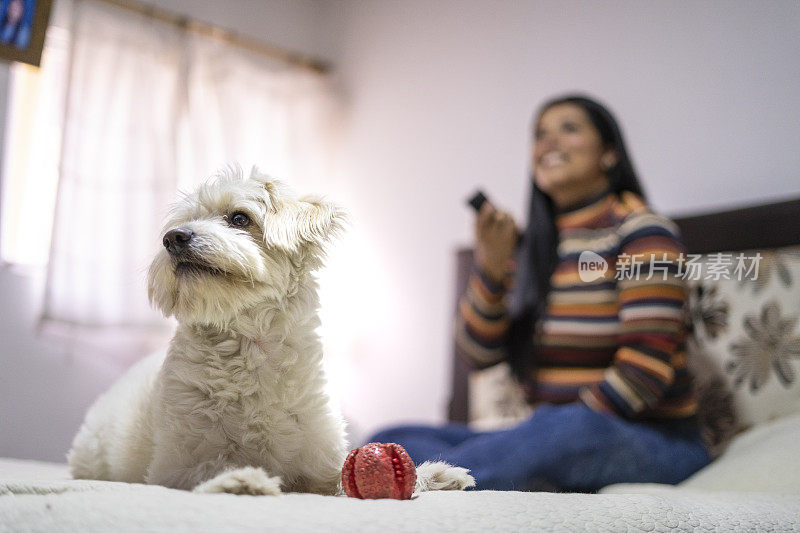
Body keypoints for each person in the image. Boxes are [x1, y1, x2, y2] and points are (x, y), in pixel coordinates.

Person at [368, 94, 711, 492]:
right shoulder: (532, 249)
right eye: (540, 134)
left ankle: (418, 483)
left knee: (567, 428)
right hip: (545, 435)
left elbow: (645, 370)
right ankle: (413, 475)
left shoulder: (642, 232)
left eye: (569, 129)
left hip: (654, 439)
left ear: (610, 153)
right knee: (390, 437)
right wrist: (491, 270)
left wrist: (549, 430)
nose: (549, 143)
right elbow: (479, 356)